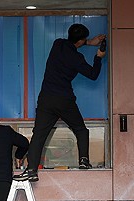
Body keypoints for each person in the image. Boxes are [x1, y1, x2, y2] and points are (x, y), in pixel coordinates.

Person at [13, 23, 106, 182]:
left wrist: (89, 42)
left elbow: (73, 43)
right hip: (64, 99)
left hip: (46, 99)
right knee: (80, 129)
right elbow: (92, 74)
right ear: (81, 40)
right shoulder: (77, 58)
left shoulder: (58, 44)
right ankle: (83, 161)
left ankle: (31, 170)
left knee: (39, 135)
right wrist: (98, 57)